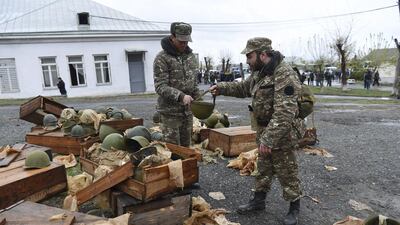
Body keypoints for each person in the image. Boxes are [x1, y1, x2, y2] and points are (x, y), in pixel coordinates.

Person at [210, 37, 304, 225]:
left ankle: (294, 208)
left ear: (263, 54)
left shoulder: (284, 73)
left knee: (287, 170)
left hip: (282, 132)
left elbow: (285, 112)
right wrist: (221, 88)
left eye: (249, 56)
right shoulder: (260, 72)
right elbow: (243, 87)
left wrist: (269, 140)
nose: (247, 60)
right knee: (263, 167)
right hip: (264, 129)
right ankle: (258, 201)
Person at [153, 22, 200, 147]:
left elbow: (194, 83)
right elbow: (160, 86)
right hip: (170, 114)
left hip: (187, 113)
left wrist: (199, 101)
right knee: (173, 151)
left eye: (186, 41)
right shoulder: (162, 58)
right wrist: (181, 96)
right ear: (172, 37)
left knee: (186, 150)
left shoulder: (190, 57)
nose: (184, 44)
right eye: (181, 41)